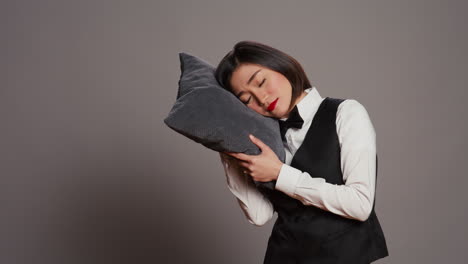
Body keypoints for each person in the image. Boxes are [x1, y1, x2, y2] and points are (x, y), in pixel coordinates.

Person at [214, 40, 389, 264]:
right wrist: (227, 148)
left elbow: (360, 204)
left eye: (261, 81)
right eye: (247, 99)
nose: (262, 98)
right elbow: (259, 216)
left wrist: (280, 174)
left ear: (280, 65)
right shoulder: (265, 138)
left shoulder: (346, 113)